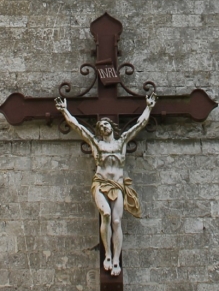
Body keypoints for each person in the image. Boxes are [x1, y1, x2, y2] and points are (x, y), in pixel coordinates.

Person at [55, 89, 157, 275]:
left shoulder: (121, 142)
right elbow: (77, 127)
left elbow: (140, 124)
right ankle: (107, 255)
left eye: (106, 124)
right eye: (100, 126)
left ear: (111, 126)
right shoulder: (96, 144)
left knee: (117, 221)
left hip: (117, 185)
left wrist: (149, 107)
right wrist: (64, 111)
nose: (103, 127)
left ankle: (116, 259)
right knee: (106, 214)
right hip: (101, 183)